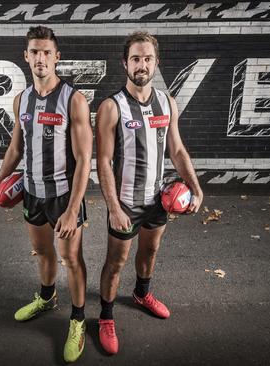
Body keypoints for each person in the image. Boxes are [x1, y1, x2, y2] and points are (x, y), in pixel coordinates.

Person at [94, 31, 204, 355]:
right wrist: (113, 206)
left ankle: (142, 293)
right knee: (116, 262)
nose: (141, 65)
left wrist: (196, 189)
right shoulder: (111, 108)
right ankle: (105, 316)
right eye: (135, 59)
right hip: (125, 203)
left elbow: (178, 150)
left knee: (150, 253)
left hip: (158, 201)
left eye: (147, 59)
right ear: (124, 63)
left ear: (156, 62)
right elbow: (102, 160)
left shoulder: (167, 103)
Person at [0, 25, 92, 363]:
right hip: (32, 192)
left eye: (46, 52)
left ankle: (78, 321)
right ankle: (47, 297)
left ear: (56, 57)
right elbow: (16, 146)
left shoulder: (73, 100)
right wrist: (1, 177)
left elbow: (84, 161)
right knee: (41, 251)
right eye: (34, 51)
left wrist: (72, 208)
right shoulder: (22, 99)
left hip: (64, 197)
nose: (40, 58)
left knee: (71, 259)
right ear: (26, 56)